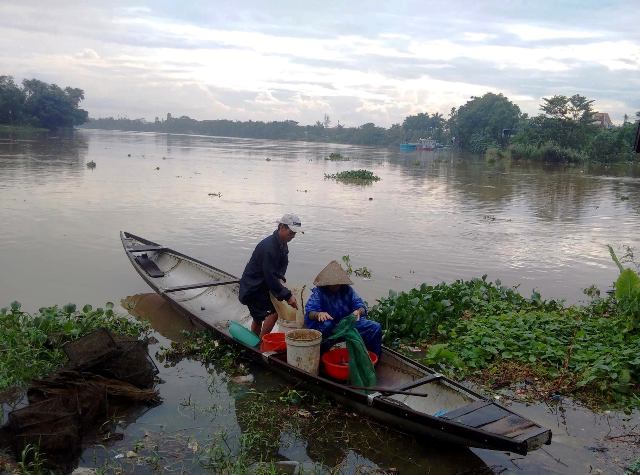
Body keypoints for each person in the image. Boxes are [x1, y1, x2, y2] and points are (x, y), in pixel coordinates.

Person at [239, 213, 302, 337]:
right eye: (291, 232)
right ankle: (261, 343)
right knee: (272, 313)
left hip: (263, 285)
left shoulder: (282, 243)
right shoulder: (269, 247)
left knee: (260, 317)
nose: (293, 236)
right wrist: (287, 296)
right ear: (281, 227)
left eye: (294, 233)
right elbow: (270, 276)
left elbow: (282, 265)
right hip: (253, 288)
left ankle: (258, 343)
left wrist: (281, 279)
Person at [304, 260, 382, 357]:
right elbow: (310, 312)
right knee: (326, 325)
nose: (336, 286)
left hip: (346, 324)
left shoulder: (347, 290)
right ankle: (321, 356)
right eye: (333, 284)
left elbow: (360, 305)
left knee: (375, 327)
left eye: (338, 283)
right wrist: (319, 314)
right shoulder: (319, 292)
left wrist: (358, 311)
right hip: (328, 327)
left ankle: (371, 358)